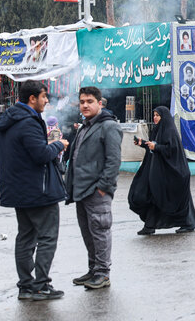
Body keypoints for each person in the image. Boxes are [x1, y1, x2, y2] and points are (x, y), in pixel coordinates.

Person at [0, 81, 69, 301]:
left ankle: (26, 286)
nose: (47, 101)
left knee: (26, 237)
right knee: (46, 237)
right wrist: (59, 144)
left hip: (20, 190)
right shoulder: (28, 122)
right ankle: (40, 285)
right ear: (32, 98)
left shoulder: (9, 119)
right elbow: (40, 154)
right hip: (39, 191)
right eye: (44, 97)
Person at [65, 86, 122, 290]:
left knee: (100, 231)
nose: (85, 105)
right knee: (88, 233)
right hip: (81, 190)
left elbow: (113, 160)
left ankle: (102, 273)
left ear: (100, 103)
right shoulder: (86, 126)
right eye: (82, 102)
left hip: (97, 191)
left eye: (89, 101)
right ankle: (93, 269)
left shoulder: (109, 126)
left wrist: (103, 188)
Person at [128, 107, 195, 233]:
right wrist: (143, 143)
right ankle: (149, 226)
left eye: (158, 115)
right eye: (154, 115)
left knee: (174, 200)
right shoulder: (157, 130)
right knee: (154, 196)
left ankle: (189, 223)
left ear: (164, 117)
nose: (155, 117)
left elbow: (171, 149)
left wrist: (156, 147)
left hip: (174, 172)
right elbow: (155, 146)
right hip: (161, 172)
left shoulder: (170, 131)